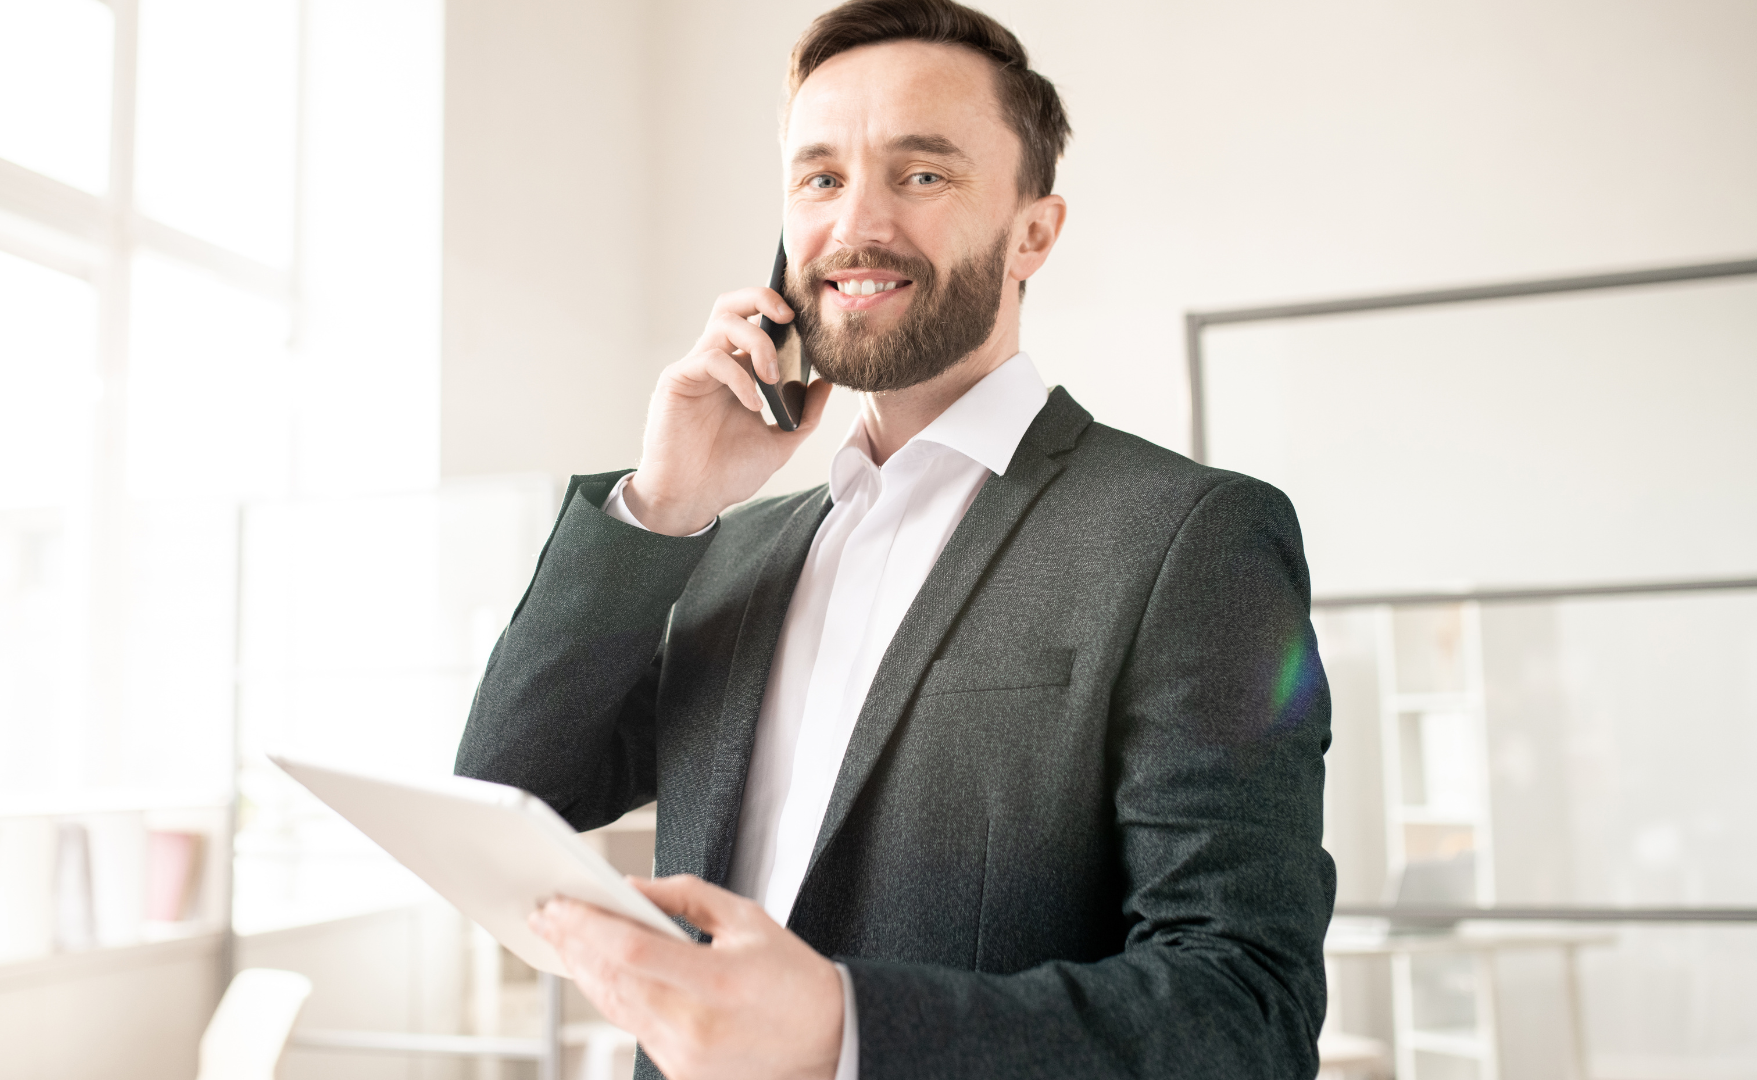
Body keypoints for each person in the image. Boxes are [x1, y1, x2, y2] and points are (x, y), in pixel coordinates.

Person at [455, 1, 1335, 1076]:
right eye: (819, 179)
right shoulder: (737, 550)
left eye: (921, 174)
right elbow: (507, 793)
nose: (855, 225)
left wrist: (843, 1027)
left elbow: (1245, 1006)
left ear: (1033, 234)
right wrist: (664, 501)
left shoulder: (1189, 539)